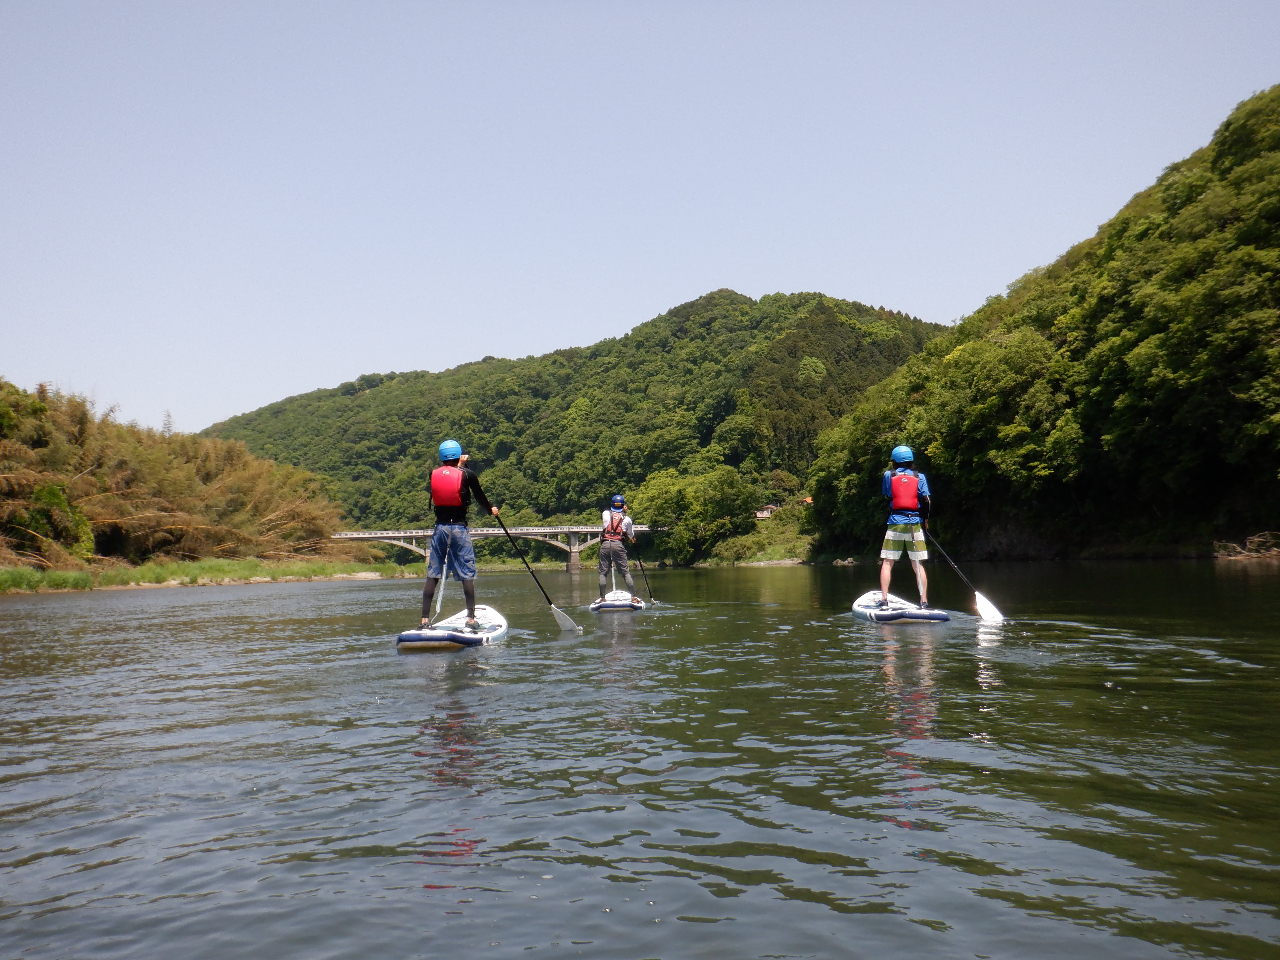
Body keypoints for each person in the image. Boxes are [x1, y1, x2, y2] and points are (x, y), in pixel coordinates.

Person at [421, 439, 499, 631]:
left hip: (440, 529)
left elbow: (448, 479)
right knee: (467, 575)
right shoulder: (468, 474)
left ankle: (424, 621)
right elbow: (479, 496)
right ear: (458, 455)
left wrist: (458, 466)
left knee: (433, 575)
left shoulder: (433, 474)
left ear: (441, 456)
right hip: (459, 529)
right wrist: (492, 510)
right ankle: (471, 619)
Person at [879, 445, 932, 608]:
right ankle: (923, 601)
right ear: (911, 461)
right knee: (917, 564)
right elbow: (927, 501)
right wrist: (925, 520)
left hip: (895, 523)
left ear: (894, 461)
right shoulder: (920, 477)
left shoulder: (889, 475)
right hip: (914, 524)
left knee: (887, 562)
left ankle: (884, 599)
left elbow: (888, 494)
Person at [598, 494, 641, 603]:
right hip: (618, 545)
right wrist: (632, 539)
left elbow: (611, 513)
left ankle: (602, 598)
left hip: (605, 544)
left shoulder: (605, 514)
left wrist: (621, 510)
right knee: (625, 573)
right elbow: (630, 534)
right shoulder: (627, 519)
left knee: (603, 572)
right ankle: (633, 597)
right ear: (623, 506)